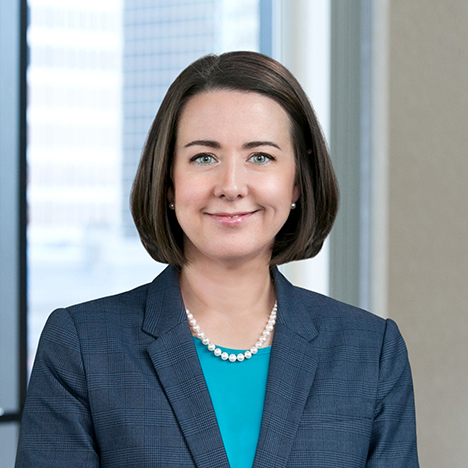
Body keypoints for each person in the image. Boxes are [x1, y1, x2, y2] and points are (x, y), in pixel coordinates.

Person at [16, 51, 419, 467]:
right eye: (203, 157)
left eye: (260, 156)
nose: (230, 186)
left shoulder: (369, 352)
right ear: (168, 181)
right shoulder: (83, 348)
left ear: (297, 180)